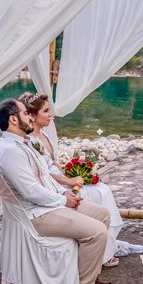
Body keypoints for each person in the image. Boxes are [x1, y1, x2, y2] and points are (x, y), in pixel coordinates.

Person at [0, 98, 111, 284]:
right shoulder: (9, 151)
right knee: (98, 231)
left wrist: (64, 192)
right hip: (36, 216)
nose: (29, 116)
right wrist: (64, 200)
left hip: (49, 205)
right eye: (25, 113)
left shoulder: (25, 144)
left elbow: (45, 177)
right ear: (13, 119)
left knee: (102, 214)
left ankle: (88, 272)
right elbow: (31, 192)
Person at [18, 92, 123, 267]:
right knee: (97, 193)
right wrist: (70, 182)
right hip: (52, 186)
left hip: (60, 180)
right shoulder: (30, 141)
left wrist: (72, 172)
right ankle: (100, 250)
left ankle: (105, 247)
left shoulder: (44, 135)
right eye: (46, 111)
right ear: (33, 116)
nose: (51, 115)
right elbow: (42, 173)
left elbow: (53, 163)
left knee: (102, 188)